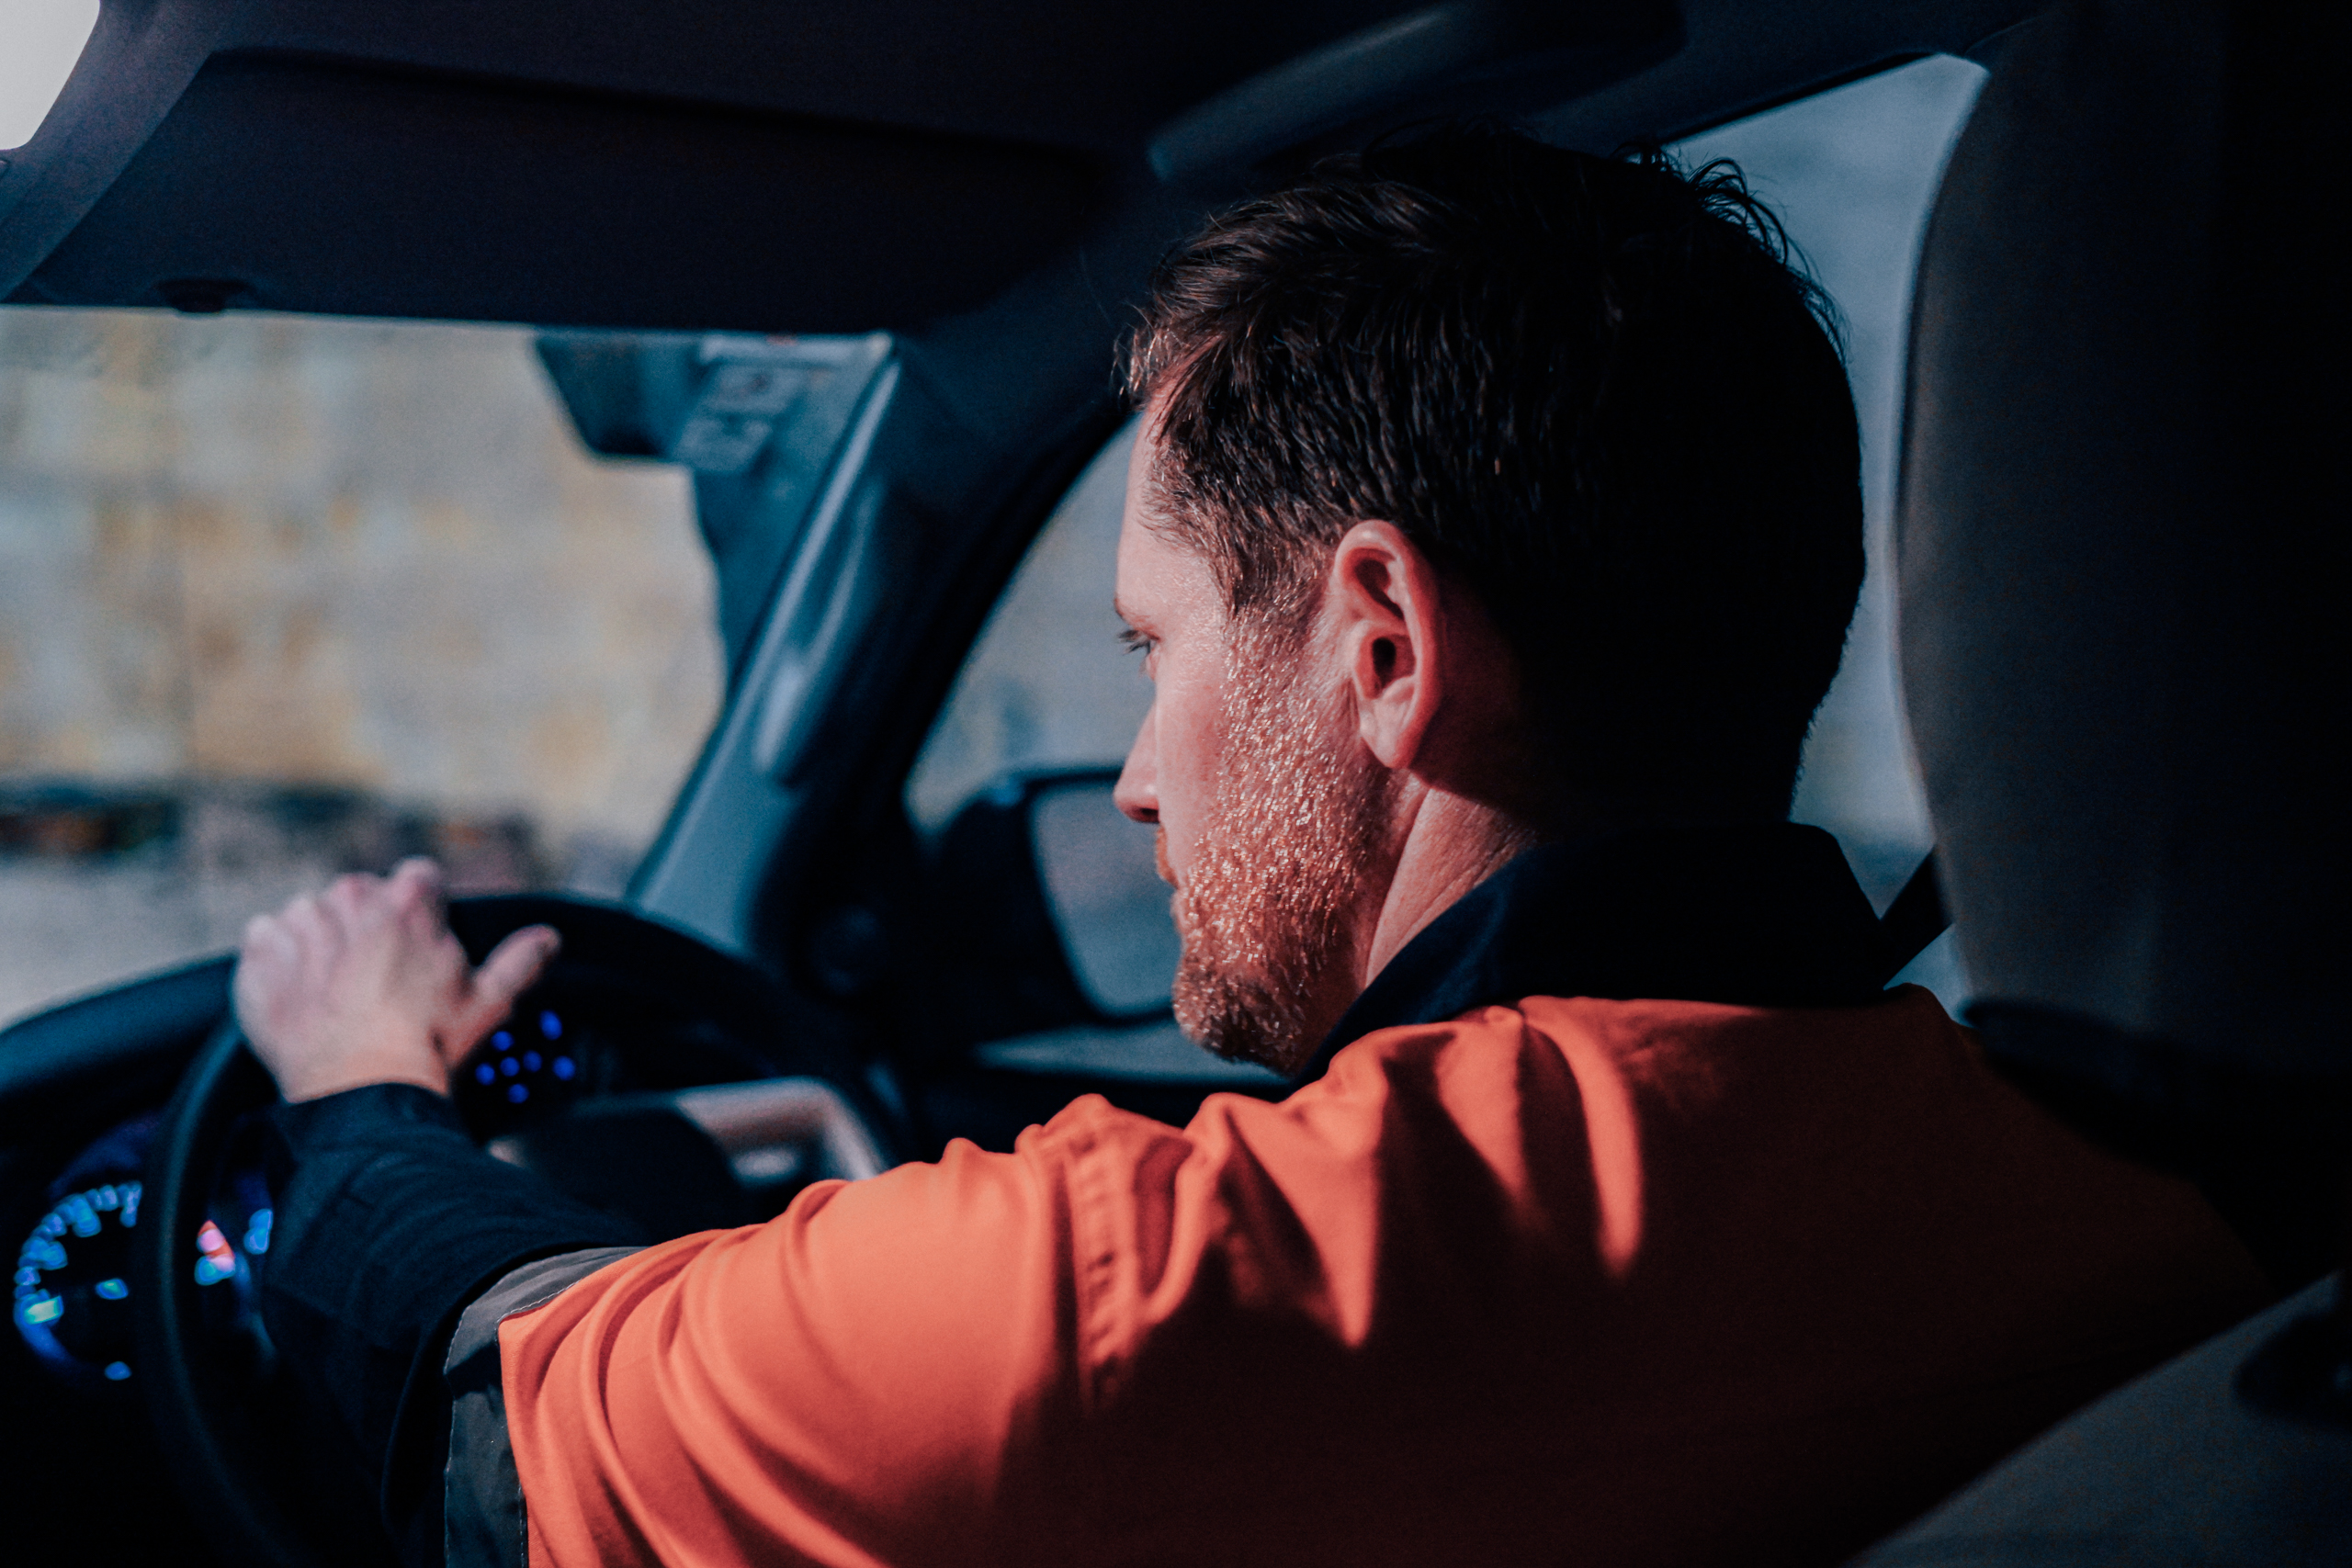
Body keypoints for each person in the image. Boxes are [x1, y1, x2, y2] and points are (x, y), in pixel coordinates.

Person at [239, 128, 2267, 1568]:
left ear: (1379, 653)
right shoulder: (2149, 1209)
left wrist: (352, 1082)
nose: (1131, 774)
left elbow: (486, 1433)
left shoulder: (1165, 1295)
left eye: (1152, 648)